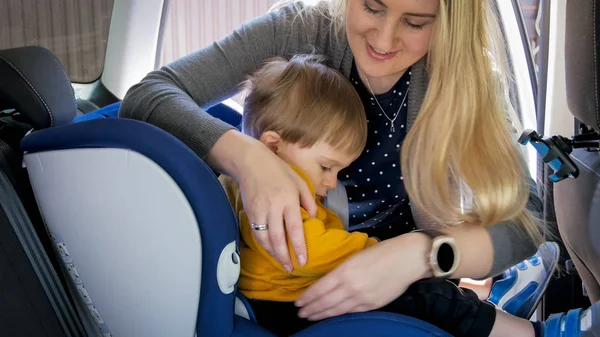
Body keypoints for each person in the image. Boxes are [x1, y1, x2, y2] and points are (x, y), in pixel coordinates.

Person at [119, 0, 592, 335]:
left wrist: (423, 255)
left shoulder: (464, 81)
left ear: (447, 20)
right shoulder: (300, 30)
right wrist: (250, 159)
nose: (383, 40)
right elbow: (149, 96)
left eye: (415, 21)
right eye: (370, 6)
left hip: (401, 266)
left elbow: (529, 218)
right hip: (309, 269)